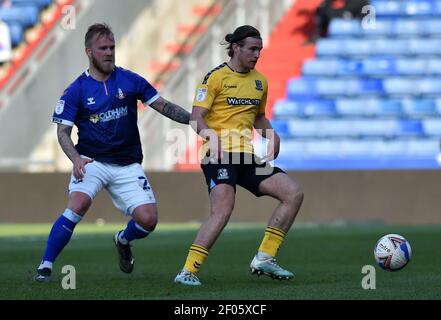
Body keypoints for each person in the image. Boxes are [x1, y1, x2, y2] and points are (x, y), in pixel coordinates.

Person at [34, 23, 190, 282]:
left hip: (128, 164)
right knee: (78, 204)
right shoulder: (76, 90)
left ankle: (123, 239)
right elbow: (62, 132)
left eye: (112, 47)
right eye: (103, 48)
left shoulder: (130, 80)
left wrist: (193, 121)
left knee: (149, 220)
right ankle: (45, 266)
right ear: (89, 52)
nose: (109, 52)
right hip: (91, 160)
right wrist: (75, 159)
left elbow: (162, 105)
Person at [174, 25, 304, 286]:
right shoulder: (214, 78)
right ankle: (187, 271)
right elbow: (196, 117)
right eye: (252, 49)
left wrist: (272, 135)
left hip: (245, 155)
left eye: (260, 50)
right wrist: (210, 136)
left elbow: (259, 117)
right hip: (218, 153)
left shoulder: (260, 82)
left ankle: (265, 257)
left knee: (293, 193)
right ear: (236, 48)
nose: (257, 55)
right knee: (223, 209)